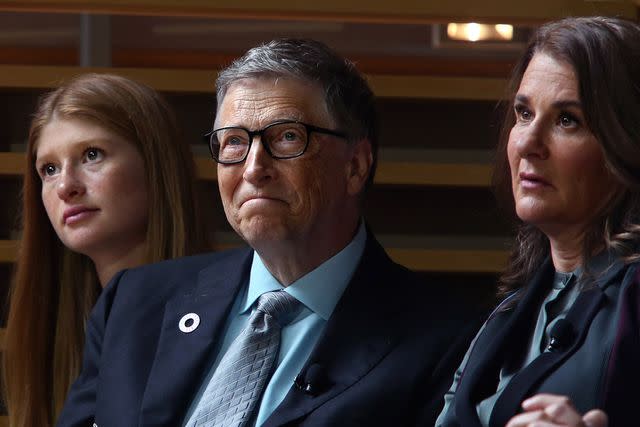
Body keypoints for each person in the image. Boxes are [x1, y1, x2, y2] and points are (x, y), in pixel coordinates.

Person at [55, 39, 481, 427]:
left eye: (288, 137)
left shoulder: (447, 340)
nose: (254, 168)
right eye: (235, 142)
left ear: (355, 166)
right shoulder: (136, 304)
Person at [435, 16, 640, 427]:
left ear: (626, 144)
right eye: (523, 113)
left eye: (568, 120)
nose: (528, 142)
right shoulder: (510, 312)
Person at [3, 73, 210, 427]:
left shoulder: (234, 320)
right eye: (49, 169)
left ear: (156, 165)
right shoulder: (53, 339)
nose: (66, 185)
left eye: (91, 155)